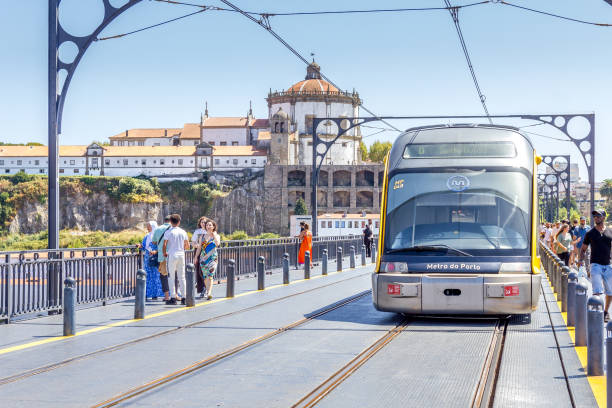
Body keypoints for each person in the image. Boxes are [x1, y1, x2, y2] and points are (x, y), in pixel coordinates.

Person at [578, 209, 612, 322]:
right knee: (597, 291)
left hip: (608, 265)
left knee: (610, 292)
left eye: (598, 216)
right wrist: (581, 262)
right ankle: (598, 312)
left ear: (603, 217)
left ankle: (605, 312)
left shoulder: (610, 232)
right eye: (595, 216)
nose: (596, 218)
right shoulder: (590, 233)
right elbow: (583, 249)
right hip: (595, 265)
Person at [162, 214, 189, 305]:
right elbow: (187, 245)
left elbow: (165, 244)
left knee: (171, 276)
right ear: (179, 222)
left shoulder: (168, 232)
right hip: (181, 254)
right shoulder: (183, 232)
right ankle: (184, 297)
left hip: (172, 254)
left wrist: (165, 252)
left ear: (170, 222)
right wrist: (183, 249)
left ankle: (173, 297)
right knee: (182, 276)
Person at [195, 219, 220, 300]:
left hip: (212, 258)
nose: (208, 226)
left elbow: (217, 243)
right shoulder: (202, 236)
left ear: (213, 227)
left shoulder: (216, 236)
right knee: (205, 276)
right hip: (203, 258)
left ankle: (209, 292)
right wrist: (196, 257)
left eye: (210, 225)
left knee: (210, 276)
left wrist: (215, 235)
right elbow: (199, 248)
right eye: (207, 225)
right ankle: (207, 290)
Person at [141, 220, 163, 300]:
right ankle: (147, 293)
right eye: (147, 226)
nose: (147, 227)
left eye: (149, 226)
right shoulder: (147, 236)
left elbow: (161, 247)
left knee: (156, 276)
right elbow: (144, 246)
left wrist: (155, 251)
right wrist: (140, 246)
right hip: (148, 258)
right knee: (148, 276)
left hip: (156, 258)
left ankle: (155, 294)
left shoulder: (157, 236)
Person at [152, 215, 172, 301]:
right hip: (173, 255)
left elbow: (154, 241)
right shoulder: (174, 229)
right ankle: (175, 295)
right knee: (174, 275)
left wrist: (160, 245)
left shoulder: (158, 229)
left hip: (162, 256)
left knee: (164, 276)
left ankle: (167, 296)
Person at [193, 216, 208, 296]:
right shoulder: (197, 231)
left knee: (204, 271)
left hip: (206, 252)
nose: (203, 224)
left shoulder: (209, 231)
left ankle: (206, 287)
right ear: (200, 223)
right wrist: (197, 245)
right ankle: (201, 288)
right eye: (202, 222)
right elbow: (193, 242)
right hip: (198, 252)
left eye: (205, 222)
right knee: (198, 271)